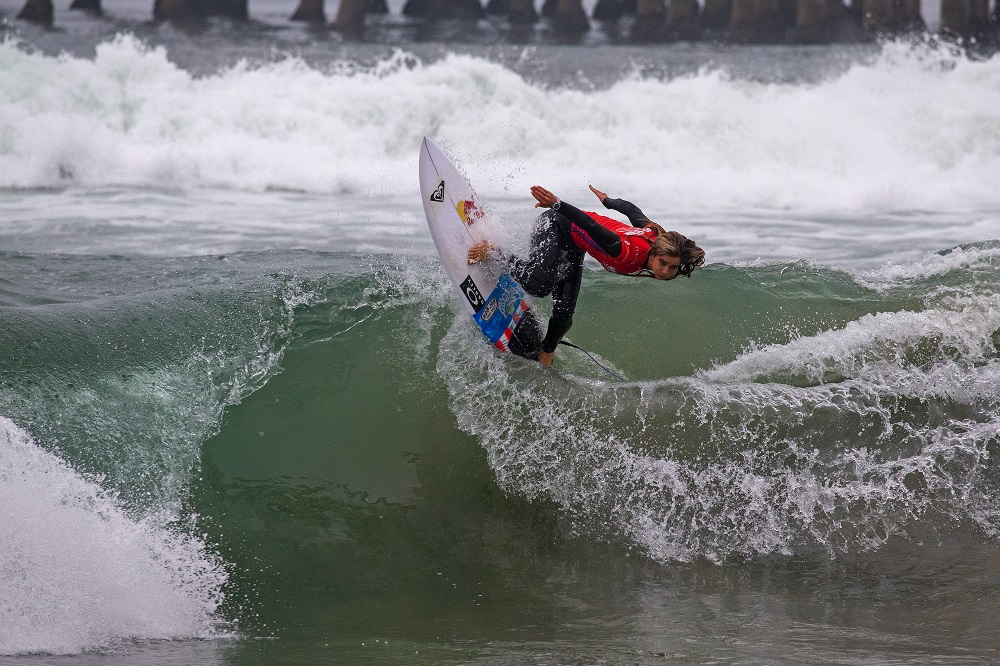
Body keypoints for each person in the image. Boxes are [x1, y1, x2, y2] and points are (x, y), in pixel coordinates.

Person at [468, 184, 706, 366]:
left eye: (672, 267)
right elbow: (589, 225)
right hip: (554, 224)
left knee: (564, 315)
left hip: (574, 244)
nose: (665, 272)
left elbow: (632, 210)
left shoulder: (656, 235)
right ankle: (495, 252)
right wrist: (556, 203)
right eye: (662, 263)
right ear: (654, 253)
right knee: (540, 286)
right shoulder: (624, 251)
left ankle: (546, 354)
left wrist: (608, 201)